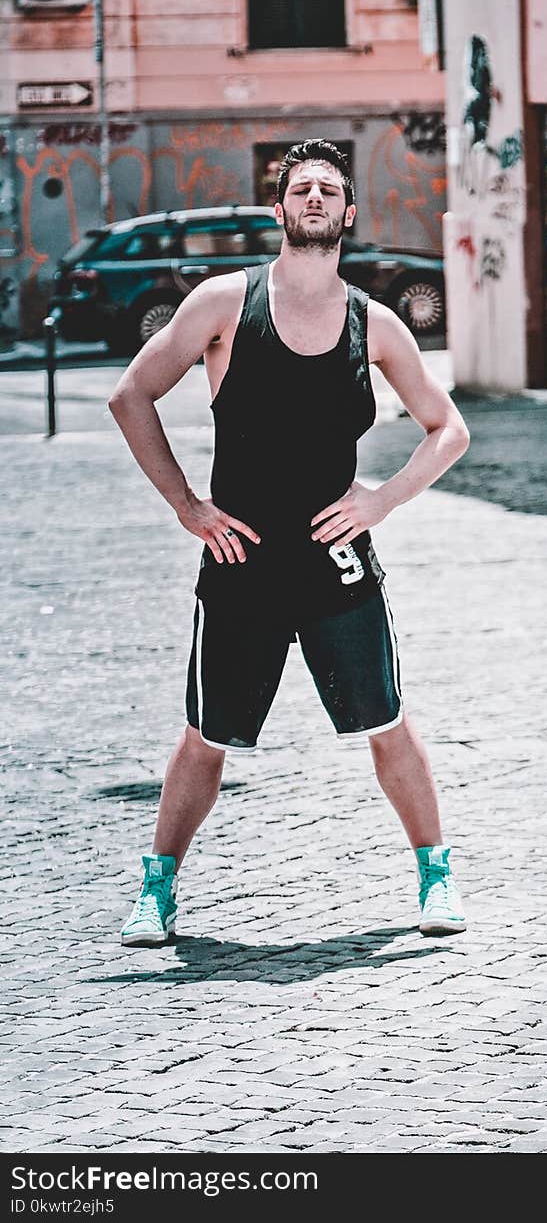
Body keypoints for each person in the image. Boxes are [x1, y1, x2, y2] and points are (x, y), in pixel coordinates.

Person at [109, 138, 470, 947]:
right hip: (239, 562)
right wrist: (186, 505)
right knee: (207, 738)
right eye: (301, 187)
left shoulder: (372, 324)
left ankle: (436, 873)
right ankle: (157, 890)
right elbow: (131, 394)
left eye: (328, 190)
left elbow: (449, 430)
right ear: (280, 210)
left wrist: (381, 501)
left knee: (388, 722)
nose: (314, 198)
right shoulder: (224, 304)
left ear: (347, 213)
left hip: (336, 562)